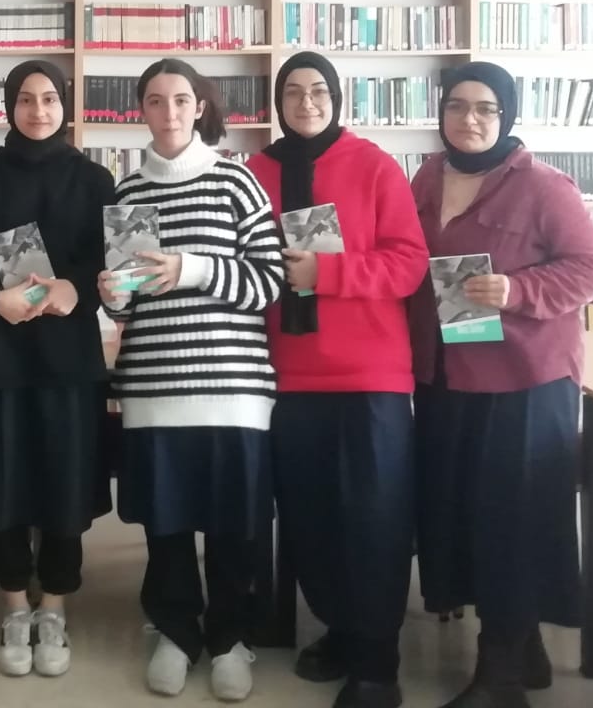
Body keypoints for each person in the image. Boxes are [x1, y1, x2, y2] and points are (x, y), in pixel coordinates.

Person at [410, 61, 593, 708]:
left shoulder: (545, 186)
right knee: (463, 515)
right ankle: (524, 652)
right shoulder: (427, 176)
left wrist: (518, 290)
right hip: (446, 374)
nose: (469, 119)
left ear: (507, 115)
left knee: (512, 521)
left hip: (525, 381)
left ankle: (500, 678)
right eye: (456, 105)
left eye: (485, 108)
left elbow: (591, 267)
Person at [96, 58, 285, 703]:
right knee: (166, 526)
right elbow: (127, 305)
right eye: (155, 100)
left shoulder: (236, 180)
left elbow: (268, 281)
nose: (169, 112)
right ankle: (176, 631)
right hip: (154, 387)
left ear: (200, 107)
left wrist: (193, 268)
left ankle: (231, 637)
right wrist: (112, 295)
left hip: (232, 387)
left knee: (234, 526)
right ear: (141, 110)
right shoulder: (127, 193)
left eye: (181, 99)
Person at [245, 53, 428, 708]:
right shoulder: (255, 172)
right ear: (277, 101)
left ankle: (378, 660)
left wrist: (330, 273)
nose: (306, 103)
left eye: (319, 91)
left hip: (369, 378)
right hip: (289, 378)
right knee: (310, 519)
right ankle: (343, 629)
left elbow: (409, 265)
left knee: (375, 521)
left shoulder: (374, 166)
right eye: (293, 92)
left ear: (337, 97)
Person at [0, 61, 116, 678]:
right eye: (25, 99)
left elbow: (109, 259)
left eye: (48, 99)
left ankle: (56, 605)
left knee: (66, 483)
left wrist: (77, 289)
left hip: (69, 358)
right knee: (6, 482)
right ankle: (15, 605)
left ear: (65, 105)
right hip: (3, 355)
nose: (38, 111)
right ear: (8, 106)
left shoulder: (95, 179)